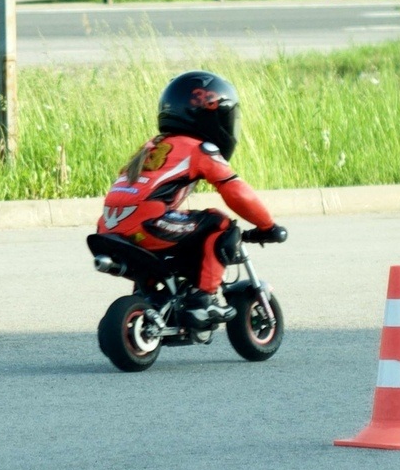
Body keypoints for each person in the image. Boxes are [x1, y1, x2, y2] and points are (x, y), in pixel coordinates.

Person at [96, 70, 287, 329]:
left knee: (186, 229)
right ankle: (203, 300)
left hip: (108, 229)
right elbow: (236, 192)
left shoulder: (152, 145)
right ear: (215, 118)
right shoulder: (198, 148)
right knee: (219, 224)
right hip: (149, 225)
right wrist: (268, 226)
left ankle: (150, 298)